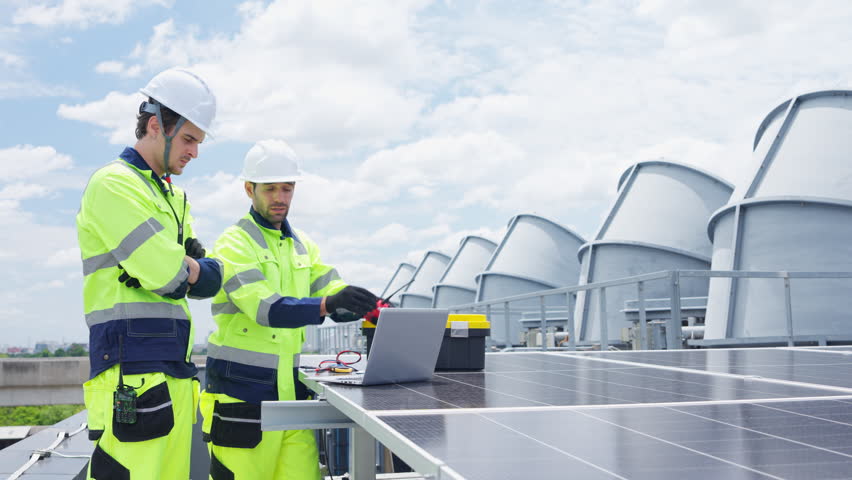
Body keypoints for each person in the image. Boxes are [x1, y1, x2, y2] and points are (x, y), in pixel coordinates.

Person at [200, 139, 379, 479]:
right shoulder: (234, 243)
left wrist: (365, 306)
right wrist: (328, 304)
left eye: (287, 188)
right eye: (270, 189)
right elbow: (267, 309)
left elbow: (332, 291)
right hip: (241, 399)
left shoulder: (302, 246)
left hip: (291, 399)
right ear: (249, 189)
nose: (280, 197)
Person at [76, 68, 223, 479]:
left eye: (199, 141)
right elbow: (170, 275)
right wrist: (186, 268)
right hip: (131, 373)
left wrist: (192, 269)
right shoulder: (113, 184)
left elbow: (208, 279)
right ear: (156, 126)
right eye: (189, 139)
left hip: (173, 370)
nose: (195, 152)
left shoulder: (173, 196)